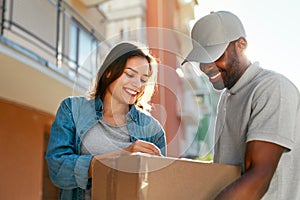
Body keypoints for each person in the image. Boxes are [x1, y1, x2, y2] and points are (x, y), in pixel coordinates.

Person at [182, 11, 300, 199]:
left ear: (241, 45)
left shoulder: (271, 88)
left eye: (214, 55)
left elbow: (258, 177)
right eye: (201, 60)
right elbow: (230, 169)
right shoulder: (227, 97)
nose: (206, 67)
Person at [46, 41, 167, 200]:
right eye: (130, 74)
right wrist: (123, 156)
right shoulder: (72, 109)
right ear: (109, 71)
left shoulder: (153, 130)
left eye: (143, 79)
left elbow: (158, 189)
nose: (138, 85)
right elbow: (58, 170)